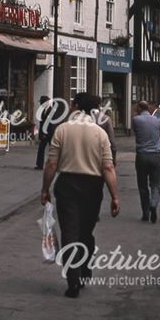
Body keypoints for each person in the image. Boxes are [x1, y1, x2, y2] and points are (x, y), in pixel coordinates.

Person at [41, 91, 120, 298]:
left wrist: (45, 189)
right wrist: (115, 196)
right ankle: (85, 268)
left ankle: (73, 280)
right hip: (93, 187)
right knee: (86, 231)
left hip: (67, 184)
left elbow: (51, 164)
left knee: (69, 232)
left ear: (76, 106)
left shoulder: (62, 130)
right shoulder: (100, 133)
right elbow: (108, 168)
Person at [131, 100, 160, 223]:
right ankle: (154, 204)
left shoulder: (136, 120)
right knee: (155, 184)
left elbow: (136, 132)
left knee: (143, 186)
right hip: (155, 155)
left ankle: (145, 213)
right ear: (148, 109)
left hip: (142, 155)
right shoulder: (157, 120)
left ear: (139, 108)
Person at [35, 95, 57, 170]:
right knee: (41, 149)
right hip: (45, 133)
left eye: (41, 103)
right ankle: (39, 165)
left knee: (53, 150)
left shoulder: (51, 110)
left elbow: (49, 124)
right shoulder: (43, 111)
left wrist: (45, 133)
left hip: (49, 133)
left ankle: (54, 165)